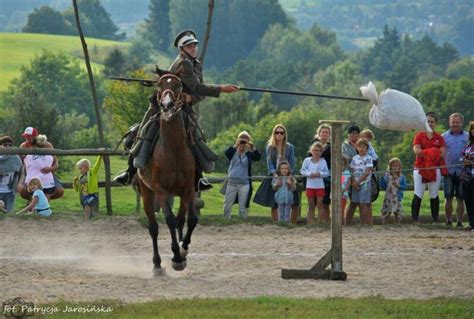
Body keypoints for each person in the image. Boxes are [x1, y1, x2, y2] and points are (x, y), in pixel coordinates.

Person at [114, 30, 239, 190]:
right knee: (142, 132)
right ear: (182, 49)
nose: (193, 48)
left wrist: (190, 98)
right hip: (162, 106)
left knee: (197, 137)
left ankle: (198, 178)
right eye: (189, 46)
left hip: (182, 109)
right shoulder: (184, 63)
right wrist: (222, 88)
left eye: (194, 45)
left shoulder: (195, 64)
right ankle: (130, 171)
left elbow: (197, 92)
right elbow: (197, 87)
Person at [254, 124, 299, 223]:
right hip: (274, 175)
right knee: (274, 202)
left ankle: (291, 223)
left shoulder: (290, 147)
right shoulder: (270, 147)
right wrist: (276, 176)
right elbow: (269, 163)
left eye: (281, 133)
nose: (279, 134)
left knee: (293, 200)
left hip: (288, 175)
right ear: (274, 134)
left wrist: (290, 175)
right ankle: (276, 223)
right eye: (277, 132)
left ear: (284, 134)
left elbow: (293, 162)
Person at [411, 112, 446, 224]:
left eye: (432, 121)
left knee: (434, 194)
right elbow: (417, 151)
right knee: (418, 193)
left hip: (435, 169)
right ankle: (415, 220)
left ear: (435, 123)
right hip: (420, 168)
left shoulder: (439, 138)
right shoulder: (419, 135)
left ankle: (435, 220)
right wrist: (433, 152)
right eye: (428, 121)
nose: (430, 123)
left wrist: (426, 152)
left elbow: (442, 154)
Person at [222, 131, 261, 219]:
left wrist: (252, 147)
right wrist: (236, 145)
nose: (243, 144)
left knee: (243, 206)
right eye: (241, 141)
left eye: (245, 142)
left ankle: (242, 221)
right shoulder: (233, 152)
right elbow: (226, 153)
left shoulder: (249, 154)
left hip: (244, 184)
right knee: (227, 205)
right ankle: (225, 220)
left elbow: (258, 157)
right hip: (231, 183)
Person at [18, 128, 64, 200]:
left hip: (47, 173)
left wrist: (50, 169)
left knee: (59, 191)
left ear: (35, 136)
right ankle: (32, 202)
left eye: (29, 137)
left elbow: (56, 163)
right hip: (30, 172)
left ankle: (42, 202)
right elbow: (21, 162)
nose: (27, 138)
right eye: (26, 136)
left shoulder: (47, 145)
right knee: (23, 189)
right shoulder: (23, 146)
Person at [442, 113, 468, 228]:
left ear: (462, 123)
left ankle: (459, 221)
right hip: (448, 171)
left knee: (460, 198)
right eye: (453, 122)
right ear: (449, 122)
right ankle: (448, 221)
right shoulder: (444, 136)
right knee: (448, 197)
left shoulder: (468, 137)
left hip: (463, 171)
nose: (455, 124)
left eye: (457, 122)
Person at [300, 142, 330, 224]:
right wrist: (309, 174)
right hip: (310, 186)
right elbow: (302, 171)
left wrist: (319, 174)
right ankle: (310, 223)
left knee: (320, 205)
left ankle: (320, 222)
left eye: (319, 150)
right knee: (311, 205)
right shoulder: (307, 160)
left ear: (321, 152)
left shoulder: (323, 161)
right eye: (315, 150)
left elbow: (327, 173)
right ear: (311, 151)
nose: (316, 152)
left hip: (320, 186)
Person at [347, 138, 374, 226]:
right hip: (355, 184)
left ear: (367, 148)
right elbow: (351, 170)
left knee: (364, 203)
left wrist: (358, 182)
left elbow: (367, 171)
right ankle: (347, 223)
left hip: (365, 182)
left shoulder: (369, 158)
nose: (361, 148)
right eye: (359, 146)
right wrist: (354, 182)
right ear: (356, 147)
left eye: (363, 146)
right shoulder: (355, 158)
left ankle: (365, 223)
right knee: (354, 202)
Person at [309, 124, 331, 222]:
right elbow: (308, 158)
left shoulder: (331, 147)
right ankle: (312, 223)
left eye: (327, 132)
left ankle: (324, 222)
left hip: (326, 178)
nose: (325, 134)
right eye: (323, 132)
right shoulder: (313, 145)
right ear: (319, 134)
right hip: (313, 178)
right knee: (312, 203)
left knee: (325, 203)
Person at [342, 124, 360, 225]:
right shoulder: (344, 146)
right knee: (349, 201)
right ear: (348, 135)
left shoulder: (363, 144)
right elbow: (347, 161)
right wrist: (352, 179)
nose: (354, 135)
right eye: (351, 133)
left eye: (356, 133)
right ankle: (346, 222)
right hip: (348, 176)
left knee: (357, 201)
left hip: (361, 176)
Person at [380, 158, 407, 225]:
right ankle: (385, 223)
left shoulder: (401, 177)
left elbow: (404, 187)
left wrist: (399, 186)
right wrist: (382, 179)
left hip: (397, 197)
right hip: (388, 197)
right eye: (393, 166)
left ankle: (397, 223)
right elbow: (383, 185)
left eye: (396, 165)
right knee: (387, 211)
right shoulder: (387, 176)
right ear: (390, 167)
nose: (395, 167)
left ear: (399, 167)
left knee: (398, 211)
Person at [0, 136, 22, 213]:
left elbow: (21, 171)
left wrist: (19, 183)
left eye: (10, 145)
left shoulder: (15, 158)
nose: (8, 147)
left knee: (8, 214)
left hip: (9, 191)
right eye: (5, 145)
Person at [460, 121, 474, 231]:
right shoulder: (469, 144)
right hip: (467, 177)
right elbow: (461, 156)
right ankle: (471, 223)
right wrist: (464, 160)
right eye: (472, 129)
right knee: (468, 200)